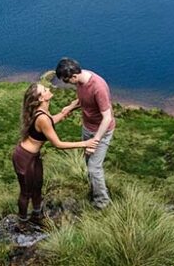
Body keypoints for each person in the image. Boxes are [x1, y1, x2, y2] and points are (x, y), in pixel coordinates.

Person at [13, 82, 93, 225]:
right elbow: (58, 144)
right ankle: (22, 223)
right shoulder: (42, 117)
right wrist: (85, 144)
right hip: (24, 158)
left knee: (37, 186)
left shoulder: (42, 112)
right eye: (44, 89)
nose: (48, 88)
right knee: (26, 192)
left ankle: (37, 216)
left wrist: (69, 108)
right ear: (41, 98)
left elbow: (51, 121)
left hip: (33, 156)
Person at [55, 57, 115, 209]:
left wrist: (95, 141)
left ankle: (102, 204)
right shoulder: (81, 80)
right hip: (88, 127)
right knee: (89, 164)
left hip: (101, 131)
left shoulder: (98, 87)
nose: (67, 83)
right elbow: (83, 99)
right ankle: (95, 190)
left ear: (74, 76)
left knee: (94, 168)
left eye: (67, 81)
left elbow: (107, 117)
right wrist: (70, 107)